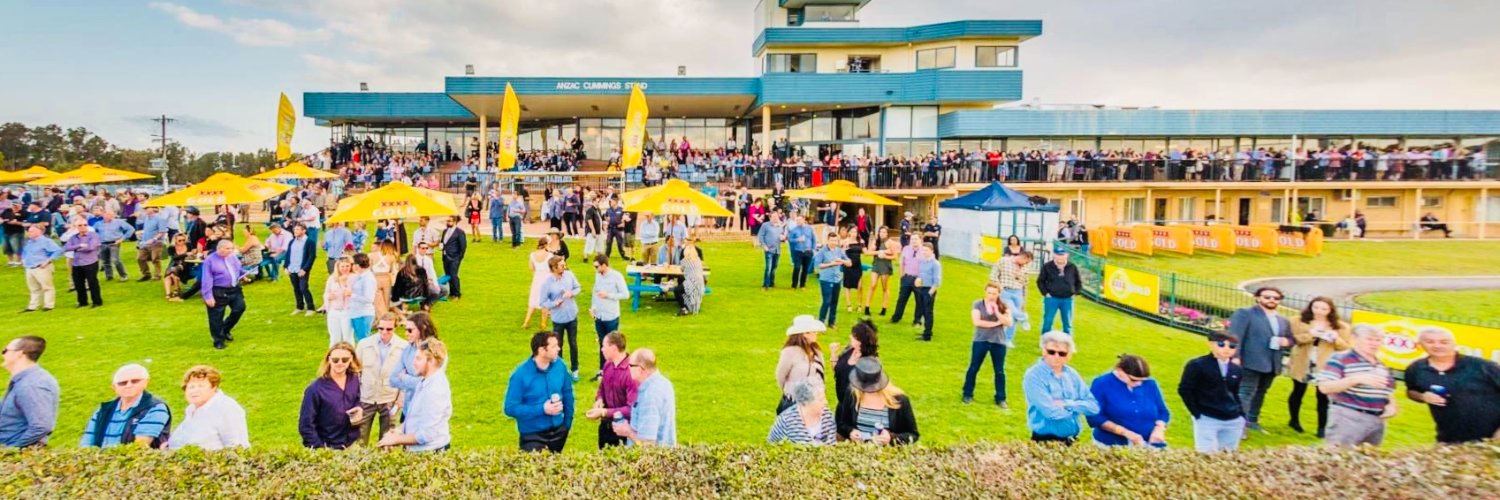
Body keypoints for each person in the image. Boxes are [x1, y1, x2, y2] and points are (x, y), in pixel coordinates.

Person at [1403, 327, 1500, 443]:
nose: (1437, 346)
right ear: (1419, 345)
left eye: (1444, 342)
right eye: (1430, 342)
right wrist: (1423, 397)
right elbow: (1411, 391)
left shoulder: (1483, 367)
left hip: (1493, 437)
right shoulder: (1416, 368)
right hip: (1448, 439)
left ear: (1455, 344)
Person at [1317, 324, 1398, 447]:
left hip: (1377, 421)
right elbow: (1325, 387)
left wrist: (1392, 405)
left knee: (1366, 462)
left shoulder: (1381, 364)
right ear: (1354, 339)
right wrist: (1356, 379)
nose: (1374, 343)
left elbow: (1388, 390)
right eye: (1369, 339)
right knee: (1340, 458)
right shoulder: (1340, 358)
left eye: (1378, 340)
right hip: (1348, 418)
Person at [1227, 286, 1293, 433]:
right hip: (1250, 361)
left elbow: (1291, 339)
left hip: (1272, 363)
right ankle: (1239, 425)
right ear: (1258, 298)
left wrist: (1286, 342)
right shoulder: (1245, 313)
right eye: (1267, 297)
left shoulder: (1282, 320)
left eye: (1275, 298)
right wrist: (1235, 357)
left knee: (1261, 393)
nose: (1271, 300)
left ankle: (1252, 421)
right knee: (1245, 392)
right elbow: (1235, 336)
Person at [1287, 297, 1352, 437]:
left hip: (1325, 364)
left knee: (1323, 396)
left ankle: (1321, 428)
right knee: (1298, 391)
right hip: (1303, 360)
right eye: (1316, 307)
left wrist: (1335, 339)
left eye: (1324, 309)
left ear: (1330, 310)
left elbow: (1346, 347)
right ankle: (1294, 420)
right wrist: (1311, 334)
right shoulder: (1298, 320)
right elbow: (1294, 338)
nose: (1319, 311)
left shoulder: (1341, 326)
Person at [1021, 331, 1099, 444]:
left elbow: (1093, 407)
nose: (1056, 357)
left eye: (1062, 353)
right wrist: (1078, 409)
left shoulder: (1072, 374)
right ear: (1043, 351)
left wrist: (1067, 404)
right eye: (1051, 352)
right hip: (1046, 441)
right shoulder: (1034, 376)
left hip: (1073, 440)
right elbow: (1051, 413)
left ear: (1069, 355)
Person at [504, 331, 576, 453]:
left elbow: (568, 394)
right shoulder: (520, 375)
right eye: (554, 346)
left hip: (559, 431)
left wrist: (566, 424)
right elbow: (510, 408)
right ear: (542, 350)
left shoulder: (560, 366)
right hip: (532, 435)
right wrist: (542, 409)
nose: (559, 348)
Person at [378, 339, 452, 452]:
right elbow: (415, 418)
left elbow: (426, 435)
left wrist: (396, 439)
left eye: (418, 359)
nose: (413, 363)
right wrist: (398, 430)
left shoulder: (434, 390)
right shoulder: (425, 380)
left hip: (431, 453)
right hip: (421, 452)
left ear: (431, 361)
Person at [1178, 332, 1246, 452]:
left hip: (1233, 419)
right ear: (1211, 344)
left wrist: (1241, 415)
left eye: (1232, 346)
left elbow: (1235, 392)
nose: (1226, 349)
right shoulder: (1197, 365)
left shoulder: (1236, 369)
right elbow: (1185, 389)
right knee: (1206, 454)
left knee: (1228, 456)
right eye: (1221, 344)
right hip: (1207, 417)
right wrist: (1196, 413)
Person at [1087, 355, 1170, 448]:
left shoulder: (1150, 384)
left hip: (1149, 443)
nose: (1139, 384)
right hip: (1113, 445)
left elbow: (1163, 411)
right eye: (1133, 380)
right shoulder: (1101, 383)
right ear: (1120, 371)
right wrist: (1125, 433)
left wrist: (1159, 429)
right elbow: (1094, 417)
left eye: (1142, 381)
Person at [80, 364, 171, 448]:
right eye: (122, 383)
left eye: (135, 381)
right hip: (99, 461)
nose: (129, 385)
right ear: (114, 388)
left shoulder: (156, 408)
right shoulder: (103, 410)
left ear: (146, 382)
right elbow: (86, 444)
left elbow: (139, 447)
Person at [835, 358, 919, 445]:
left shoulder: (899, 400)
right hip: (858, 452)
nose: (869, 390)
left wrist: (891, 438)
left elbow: (913, 434)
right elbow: (841, 423)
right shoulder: (852, 395)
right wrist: (851, 432)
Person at [167, 365, 250, 450]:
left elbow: (238, 446)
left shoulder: (226, 408)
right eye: (191, 387)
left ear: (213, 387)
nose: (195, 390)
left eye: (201, 386)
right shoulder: (191, 410)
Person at [355, 312, 408, 446]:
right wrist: (355, 397)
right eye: (381, 328)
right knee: (359, 438)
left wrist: (400, 400)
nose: (384, 332)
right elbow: (356, 372)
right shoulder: (364, 344)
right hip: (366, 396)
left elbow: (406, 377)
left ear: (395, 328)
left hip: (390, 398)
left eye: (389, 329)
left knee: (388, 441)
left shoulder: (404, 347)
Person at [298, 342, 362, 449]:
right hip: (328, 446)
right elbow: (306, 425)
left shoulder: (355, 380)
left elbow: (358, 399)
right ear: (329, 360)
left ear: (351, 359)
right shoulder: (315, 389)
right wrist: (320, 449)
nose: (340, 363)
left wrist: (359, 408)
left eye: (345, 359)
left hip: (352, 443)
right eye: (335, 360)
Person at [0, 336, 59, 448]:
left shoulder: (32, 384)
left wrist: (12, 450)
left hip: (16, 456)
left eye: (5, 351)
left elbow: (42, 426)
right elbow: (14, 409)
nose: (3, 355)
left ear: (19, 354)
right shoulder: (25, 380)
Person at [611, 348, 676, 447]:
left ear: (640, 369)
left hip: (649, 460)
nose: (628, 368)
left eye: (630, 365)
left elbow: (648, 445)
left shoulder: (649, 396)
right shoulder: (664, 383)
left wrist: (627, 431)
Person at [963, 283, 1014, 407]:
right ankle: (967, 394)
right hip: (981, 340)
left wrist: (997, 312)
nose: (991, 295)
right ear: (985, 292)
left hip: (998, 342)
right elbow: (977, 322)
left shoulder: (1004, 306)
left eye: (994, 293)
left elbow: (1008, 322)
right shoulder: (978, 304)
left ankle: (1001, 398)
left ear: (998, 294)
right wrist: (996, 324)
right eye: (989, 292)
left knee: (999, 371)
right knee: (974, 367)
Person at [584, 331, 637, 448]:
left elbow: (631, 409)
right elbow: (602, 388)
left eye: (604, 346)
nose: (601, 349)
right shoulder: (608, 364)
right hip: (605, 427)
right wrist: (599, 399)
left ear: (613, 348)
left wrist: (603, 412)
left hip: (624, 429)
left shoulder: (631, 372)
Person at [540, 255, 583, 381]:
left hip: (572, 315)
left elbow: (578, 288)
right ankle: (561, 370)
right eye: (561, 265)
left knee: (573, 343)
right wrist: (554, 304)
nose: (564, 267)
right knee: (558, 346)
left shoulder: (569, 275)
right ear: (554, 268)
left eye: (564, 264)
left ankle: (575, 370)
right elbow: (543, 301)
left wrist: (572, 293)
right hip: (558, 319)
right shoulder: (547, 284)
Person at [389, 311, 439, 416]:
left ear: (423, 327)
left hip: (428, 410)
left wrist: (405, 378)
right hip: (408, 409)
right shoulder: (407, 349)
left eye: (410, 330)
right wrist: (418, 381)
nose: (406, 333)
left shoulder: (436, 350)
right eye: (405, 330)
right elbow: (393, 379)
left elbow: (430, 383)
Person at [200, 240, 247, 350]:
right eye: (228, 249)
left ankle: (225, 329)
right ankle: (218, 340)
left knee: (239, 308)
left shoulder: (232, 257)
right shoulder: (210, 261)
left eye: (231, 248)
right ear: (220, 248)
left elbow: (238, 269)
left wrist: (245, 274)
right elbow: (207, 279)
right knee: (216, 316)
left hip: (234, 288)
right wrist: (208, 296)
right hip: (218, 290)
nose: (231, 251)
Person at [776, 315, 827, 414]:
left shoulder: (817, 351)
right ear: (804, 334)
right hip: (795, 403)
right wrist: (790, 390)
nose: (816, 333)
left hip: (815, 402)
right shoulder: (790, 352)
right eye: (813, 331)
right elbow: (780, 376)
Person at [589, 255, 628, 380]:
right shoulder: (598, 276)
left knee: (612, 345)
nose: (595, 269)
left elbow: (625, 294)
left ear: (604, 265)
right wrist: (593, 307)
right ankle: (602, 370)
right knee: (602, 344)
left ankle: (614, 371)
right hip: (599, 315)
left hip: (611, 316)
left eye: (597, 266)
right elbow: (595, 292)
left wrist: (609, 295)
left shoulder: (616, 276)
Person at [829, 320, 878, 419]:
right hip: (842, 404)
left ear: (862, 340)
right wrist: (833, 353)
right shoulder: (849, 350)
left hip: (857, 408)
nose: (850, 336)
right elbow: (837, 370)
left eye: (854, 336)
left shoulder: (869, 361)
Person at [767, 379, 837, 445]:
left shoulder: (827, 415)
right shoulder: (786, 421)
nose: (825, 402)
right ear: (807, 402)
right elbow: (771, 446)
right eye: (821, 400)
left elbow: (832, 444)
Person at [989, 250, 1033, 347]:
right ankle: (1024, 317)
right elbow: (993, 275)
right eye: (1026, 261)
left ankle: (1008, 339)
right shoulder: (1003, 261)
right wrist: (998, 287)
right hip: (1005, 291)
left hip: (1018, 292)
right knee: (1011, 310)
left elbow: (1025, 283)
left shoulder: (1025, 267)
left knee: (1013, 317)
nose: (1026, 264)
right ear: (1023, 257)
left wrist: (1024, 298)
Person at [1036, 248, 1080, 334]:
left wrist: (1076, 292)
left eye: (1062, 255)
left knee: (1067, 322)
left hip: (1067, 299)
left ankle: (1067, 343)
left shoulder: (1072, 267)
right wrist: (1045, 293)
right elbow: (1040, 281)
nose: (1060, 257)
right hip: (1052, 298)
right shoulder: (1047, 266)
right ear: (1054, 255)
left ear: (1066, 255)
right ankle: (1045, 341)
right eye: (1058, 255)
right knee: (1048, 321)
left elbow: (1078, 281)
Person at [20, 225, 63, 312]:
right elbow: (24, 252)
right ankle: (33, 306)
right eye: (29, 231)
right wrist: (23, 260)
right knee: (33, 288)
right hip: (29, 267)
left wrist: (48, 261)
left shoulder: (46, 241)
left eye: (31, 231)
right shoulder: (29, 242)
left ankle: (49, 305)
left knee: (47, 287)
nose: (29, 233)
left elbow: (58, 250)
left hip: (41, 267)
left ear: (39, 232)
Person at [812, 232, 850, 328]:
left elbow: (849, 263)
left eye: (835, 240)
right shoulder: (822, 251)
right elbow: (817, 265)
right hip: (826, 280)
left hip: (837, 279)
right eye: (832, 240)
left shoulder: (839, 251)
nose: (834, 242)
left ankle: (831, 322)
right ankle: (821, 321)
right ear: (827, 240)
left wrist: (842, 261)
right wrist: (831, 264)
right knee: (826, 301)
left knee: (834, 301)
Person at [63, 217, 103, 308]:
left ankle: (97, 301)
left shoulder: (93, 235)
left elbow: (91, 247)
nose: (83, 227)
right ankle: (82, 302)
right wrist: (80, 245)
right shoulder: (73, 237)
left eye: (85, 225)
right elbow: (67, 247)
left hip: (90, 262)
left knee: (92, 282)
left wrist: (75, 248)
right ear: (76, 227)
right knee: (78, 283)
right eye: (80, 225)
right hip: (77, 263)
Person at [285, 223, 318, 316]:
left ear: (304, 231)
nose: (295, 231)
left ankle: (311, 308)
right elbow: (288, 254)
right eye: (295, 230)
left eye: (298, 229)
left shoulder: (309, 242)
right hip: (292, 269)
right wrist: (286, 266)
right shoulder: (292, 242)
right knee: (296, 288)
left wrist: (305, 269)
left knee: (303, 288)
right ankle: (299, 306)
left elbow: (312, 257)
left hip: (302, 269)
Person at [92, 208, 134, 281]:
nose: (111, 216)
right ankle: (109, 276)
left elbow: (131, 229)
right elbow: (92, 232)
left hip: (114, 243)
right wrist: (96, 240)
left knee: (115, 260)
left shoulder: (119, 222)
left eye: (112, 215)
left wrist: (122, 239)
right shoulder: (98, 224)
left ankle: (123, 275)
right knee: (105, 261)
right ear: (103, 215)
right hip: (102, 243)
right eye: (108, 214)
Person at [888, 238, 922, 325]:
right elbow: (901, 262)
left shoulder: (924, 250)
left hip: (918, 279)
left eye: (916, 239)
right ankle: (896, 317)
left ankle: (917, 321)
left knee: (919, 300)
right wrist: (902, 275)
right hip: (906, 277)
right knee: (902, 299)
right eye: (913, 239)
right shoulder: (906, 249)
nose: (914, 241)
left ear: (920, 240)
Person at [913, 243, 942, 341]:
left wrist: (930, 293)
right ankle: (927, 331)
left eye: (926, 250)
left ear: (932, 251)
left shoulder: (935, 263)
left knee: (928, 312)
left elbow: (937, 281)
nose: (924, 252)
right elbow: (920, 274)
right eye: (923, 250)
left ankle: (927, 335)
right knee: (923, 311)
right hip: (921, 288)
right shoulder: (922, 262)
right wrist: (917, 280)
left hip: (929, 290)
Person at [522, 239, 553, 329]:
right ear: (546, 245)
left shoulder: (532, 255)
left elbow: (531, 267)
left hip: (537, 277)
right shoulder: (549, 255)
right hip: (546, 278)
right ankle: (543, 323)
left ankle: (526, 322)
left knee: (533, 300)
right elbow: (551, 267)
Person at [863, 232, 896, 316]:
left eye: (884, 232)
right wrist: (880, 252)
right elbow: (868, 253)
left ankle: (884, 308)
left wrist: (885, 256)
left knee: (885, 287)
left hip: (885, 266)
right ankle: (867, 307)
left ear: (887, 233)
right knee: (873, 285)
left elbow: (895, 256)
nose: (882, 233)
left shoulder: (890, 242)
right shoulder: (876, 241)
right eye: (881, 232)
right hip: (876, 264)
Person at [347, 253, 378, 343]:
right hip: (356, 312)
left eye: (353, 264)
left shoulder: (368, 279)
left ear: (357, 265)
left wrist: (352, 295)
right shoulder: (360, 276)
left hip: (363, 313)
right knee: (361, 340)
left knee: (364, 340)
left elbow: (369, 298)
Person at [135, 206, 168, 282]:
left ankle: (157, 275)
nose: (145, 210)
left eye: (147, 208)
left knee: (155, 259)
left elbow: (162, 232)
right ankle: (146, 274)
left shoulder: (160, 219)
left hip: (157, 243)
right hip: (145, 242)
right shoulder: (147, 218)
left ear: (153, 209)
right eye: (145, 208)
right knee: (140, 258)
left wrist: (154, 239)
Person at [676, 238, 706, 315]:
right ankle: (691, 305)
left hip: (692, 282)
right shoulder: (698, 260)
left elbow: (681, 270)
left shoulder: (685, 261)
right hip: (700, 282)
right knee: (682, 286)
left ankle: (683, 308)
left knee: (677, 289)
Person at [756, 211, 785, 290]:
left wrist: (783, 238)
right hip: (769, 249)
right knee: (768, 268)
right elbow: (760, 236)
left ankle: (771, 283)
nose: (776, 218)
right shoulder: (765, 225)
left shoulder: (780, 226)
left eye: (777, 216)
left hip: (777, 250)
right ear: (770, 217)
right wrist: (764, 245)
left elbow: (782, 236)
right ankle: (765, 285)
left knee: (774, 267)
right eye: (774, 217)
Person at [440, 216, 467, 299]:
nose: (447, 223)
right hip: (445, 256)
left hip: (454, 258)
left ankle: (457, 294)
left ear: (455, 221)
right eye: (447, 221)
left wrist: (458, 258)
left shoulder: (460, 232)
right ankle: (451, 292)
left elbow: (463, 246)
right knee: (448, 275)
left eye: (449, 221)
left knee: (454, 275)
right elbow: (443, 241)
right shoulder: (445, 231)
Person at [787, 214, 816, 289]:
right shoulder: (794, 230)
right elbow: (790, 240)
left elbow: (813, 239)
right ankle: (794, 285)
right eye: (797, 220)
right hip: (798, 251)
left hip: (808, 251)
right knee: (797, 267)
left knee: (805, 269)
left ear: (804, 219)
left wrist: (813, 249)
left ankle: (802, 285)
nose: (798, 221)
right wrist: (797, 240)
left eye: (799, 220)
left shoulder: (810, 228)